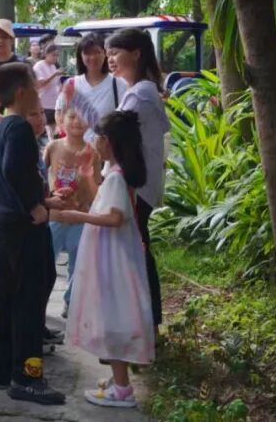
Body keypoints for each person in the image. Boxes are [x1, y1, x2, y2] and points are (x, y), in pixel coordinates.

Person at [54, 110, 154, 408]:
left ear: (108, 141)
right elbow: (109, 204)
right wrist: (88, 177)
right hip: (115, 253)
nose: (93, 141)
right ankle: (118, 380)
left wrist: (77, 216)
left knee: (112, 315)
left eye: (97, 136)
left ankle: (122, 390)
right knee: (113, 311)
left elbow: (113, 217)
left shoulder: (116, 177)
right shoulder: (115, 172)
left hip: (113, 258)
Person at [0, 63, 71, 405]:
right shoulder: (19, 126)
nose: (39, 93)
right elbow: (13, 170)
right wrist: (34, 204)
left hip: (4, 222)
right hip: (23, 226)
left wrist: (40, 200)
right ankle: (28, 376)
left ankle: (2, 369)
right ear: (22, 93)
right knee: (30, 303)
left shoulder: (1, 128)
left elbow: (5, 175)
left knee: (8, 297)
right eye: (35, 88)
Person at [106, 28, 167, 329]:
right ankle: (146, 322)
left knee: (137, 251)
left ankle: (145, 323)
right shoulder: (141, 90)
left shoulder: (140, 94)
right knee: (138, 248)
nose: (110, 59)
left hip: (136, 186)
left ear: (136, 54)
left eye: (116, 53)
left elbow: (115, 136)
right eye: (109, 54)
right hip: (140, 184)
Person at [44, 107, 101, 319]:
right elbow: (41, 177)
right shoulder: (53, 147)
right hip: (55, 217)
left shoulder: (93, 153)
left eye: (82, 117)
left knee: (78, 265)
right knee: (45, 262)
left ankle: (72, 302)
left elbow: (95, 187)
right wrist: (50, 195)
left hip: (80, 218)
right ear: (61, 119)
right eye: (72, 116)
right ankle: (40, 302)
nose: (77, 121)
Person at [55, 32, 127, 142]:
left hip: (107, 149)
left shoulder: (119, 83)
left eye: (97, 52)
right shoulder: (71, 84)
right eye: (87, 53)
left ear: (105, 54)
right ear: (80, 56)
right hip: (77, 149)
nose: (92, 57)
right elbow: (59, 113)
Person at [34, 44, 63, 138]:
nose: (55, 57)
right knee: (45, 131)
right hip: (44, 104)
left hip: (54, 104)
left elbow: (56, 84)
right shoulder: (39, 66)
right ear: (46, 54)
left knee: (54, 131)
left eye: (57, 55)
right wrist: (54, 74)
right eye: (53, 55)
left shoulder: (53, 66)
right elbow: (41, 84)